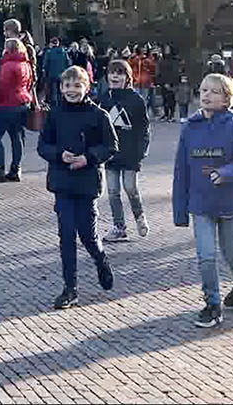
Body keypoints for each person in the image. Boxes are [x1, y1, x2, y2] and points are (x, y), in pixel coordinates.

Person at [173, 73, 233, 329]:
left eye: (214, 91)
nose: (207, 95)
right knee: (206, 256)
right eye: (203, 90)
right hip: (201, 204)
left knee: (231, 252)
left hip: (231, 202)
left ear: (227, 98)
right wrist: (180, 211)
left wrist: (226, 173)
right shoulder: (190, 126)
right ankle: (212, 304)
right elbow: (181, 171)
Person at [38, 66, 117, 310]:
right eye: (67, 86)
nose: (71, 90)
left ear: (87, 87)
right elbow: (43, 145)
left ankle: (100, 259)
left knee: (88, 235)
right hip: (62, 182)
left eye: (77, 86)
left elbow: (111, 145)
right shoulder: (54, 114)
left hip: (86, 182)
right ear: (61, 88)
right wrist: (59, 155)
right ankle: (70, 288)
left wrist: (89, 158)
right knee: (67, 235)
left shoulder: (98, 115)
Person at [96, 59, 150, 241]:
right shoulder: (104, 97)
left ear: (127, 78)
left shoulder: (136, 100)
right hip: (111, 154)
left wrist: (141, 150)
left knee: (130, 188)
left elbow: (144, 128)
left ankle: (139, 216)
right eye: (112, 73)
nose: (114, 76)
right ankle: (119, 227)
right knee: (112, 191)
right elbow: (98, 125)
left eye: (119, 73)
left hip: (130, 153)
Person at [0, 37, 35, 183]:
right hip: (22, 102)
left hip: (6, 104)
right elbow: (30, 83)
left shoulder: (7, 65)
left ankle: (0, 168)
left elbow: (2, 85)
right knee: (17, 136)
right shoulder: (26, 64)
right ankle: (16, 169)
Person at [40, 37, 71, 103]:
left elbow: (45, 65)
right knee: (61, 91)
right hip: (62, 75)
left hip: (51, 75)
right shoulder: (64, 52)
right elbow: (68, 63)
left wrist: (45, 74)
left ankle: (53, 106)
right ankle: (61, 104)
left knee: (52, 92)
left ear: (51, 44)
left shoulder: (49, 52)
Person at [156, 46, 182, 122]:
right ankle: (166, 114)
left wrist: (170, 83)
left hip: (171, 82)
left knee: (171, 99)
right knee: (164, 99)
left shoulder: (174, 60)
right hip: (163, 81)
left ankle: (171, 114)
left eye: (168, 49)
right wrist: (159, 81)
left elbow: (174, 72)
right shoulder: (162, 60)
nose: (166, 51)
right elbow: (160, 71)